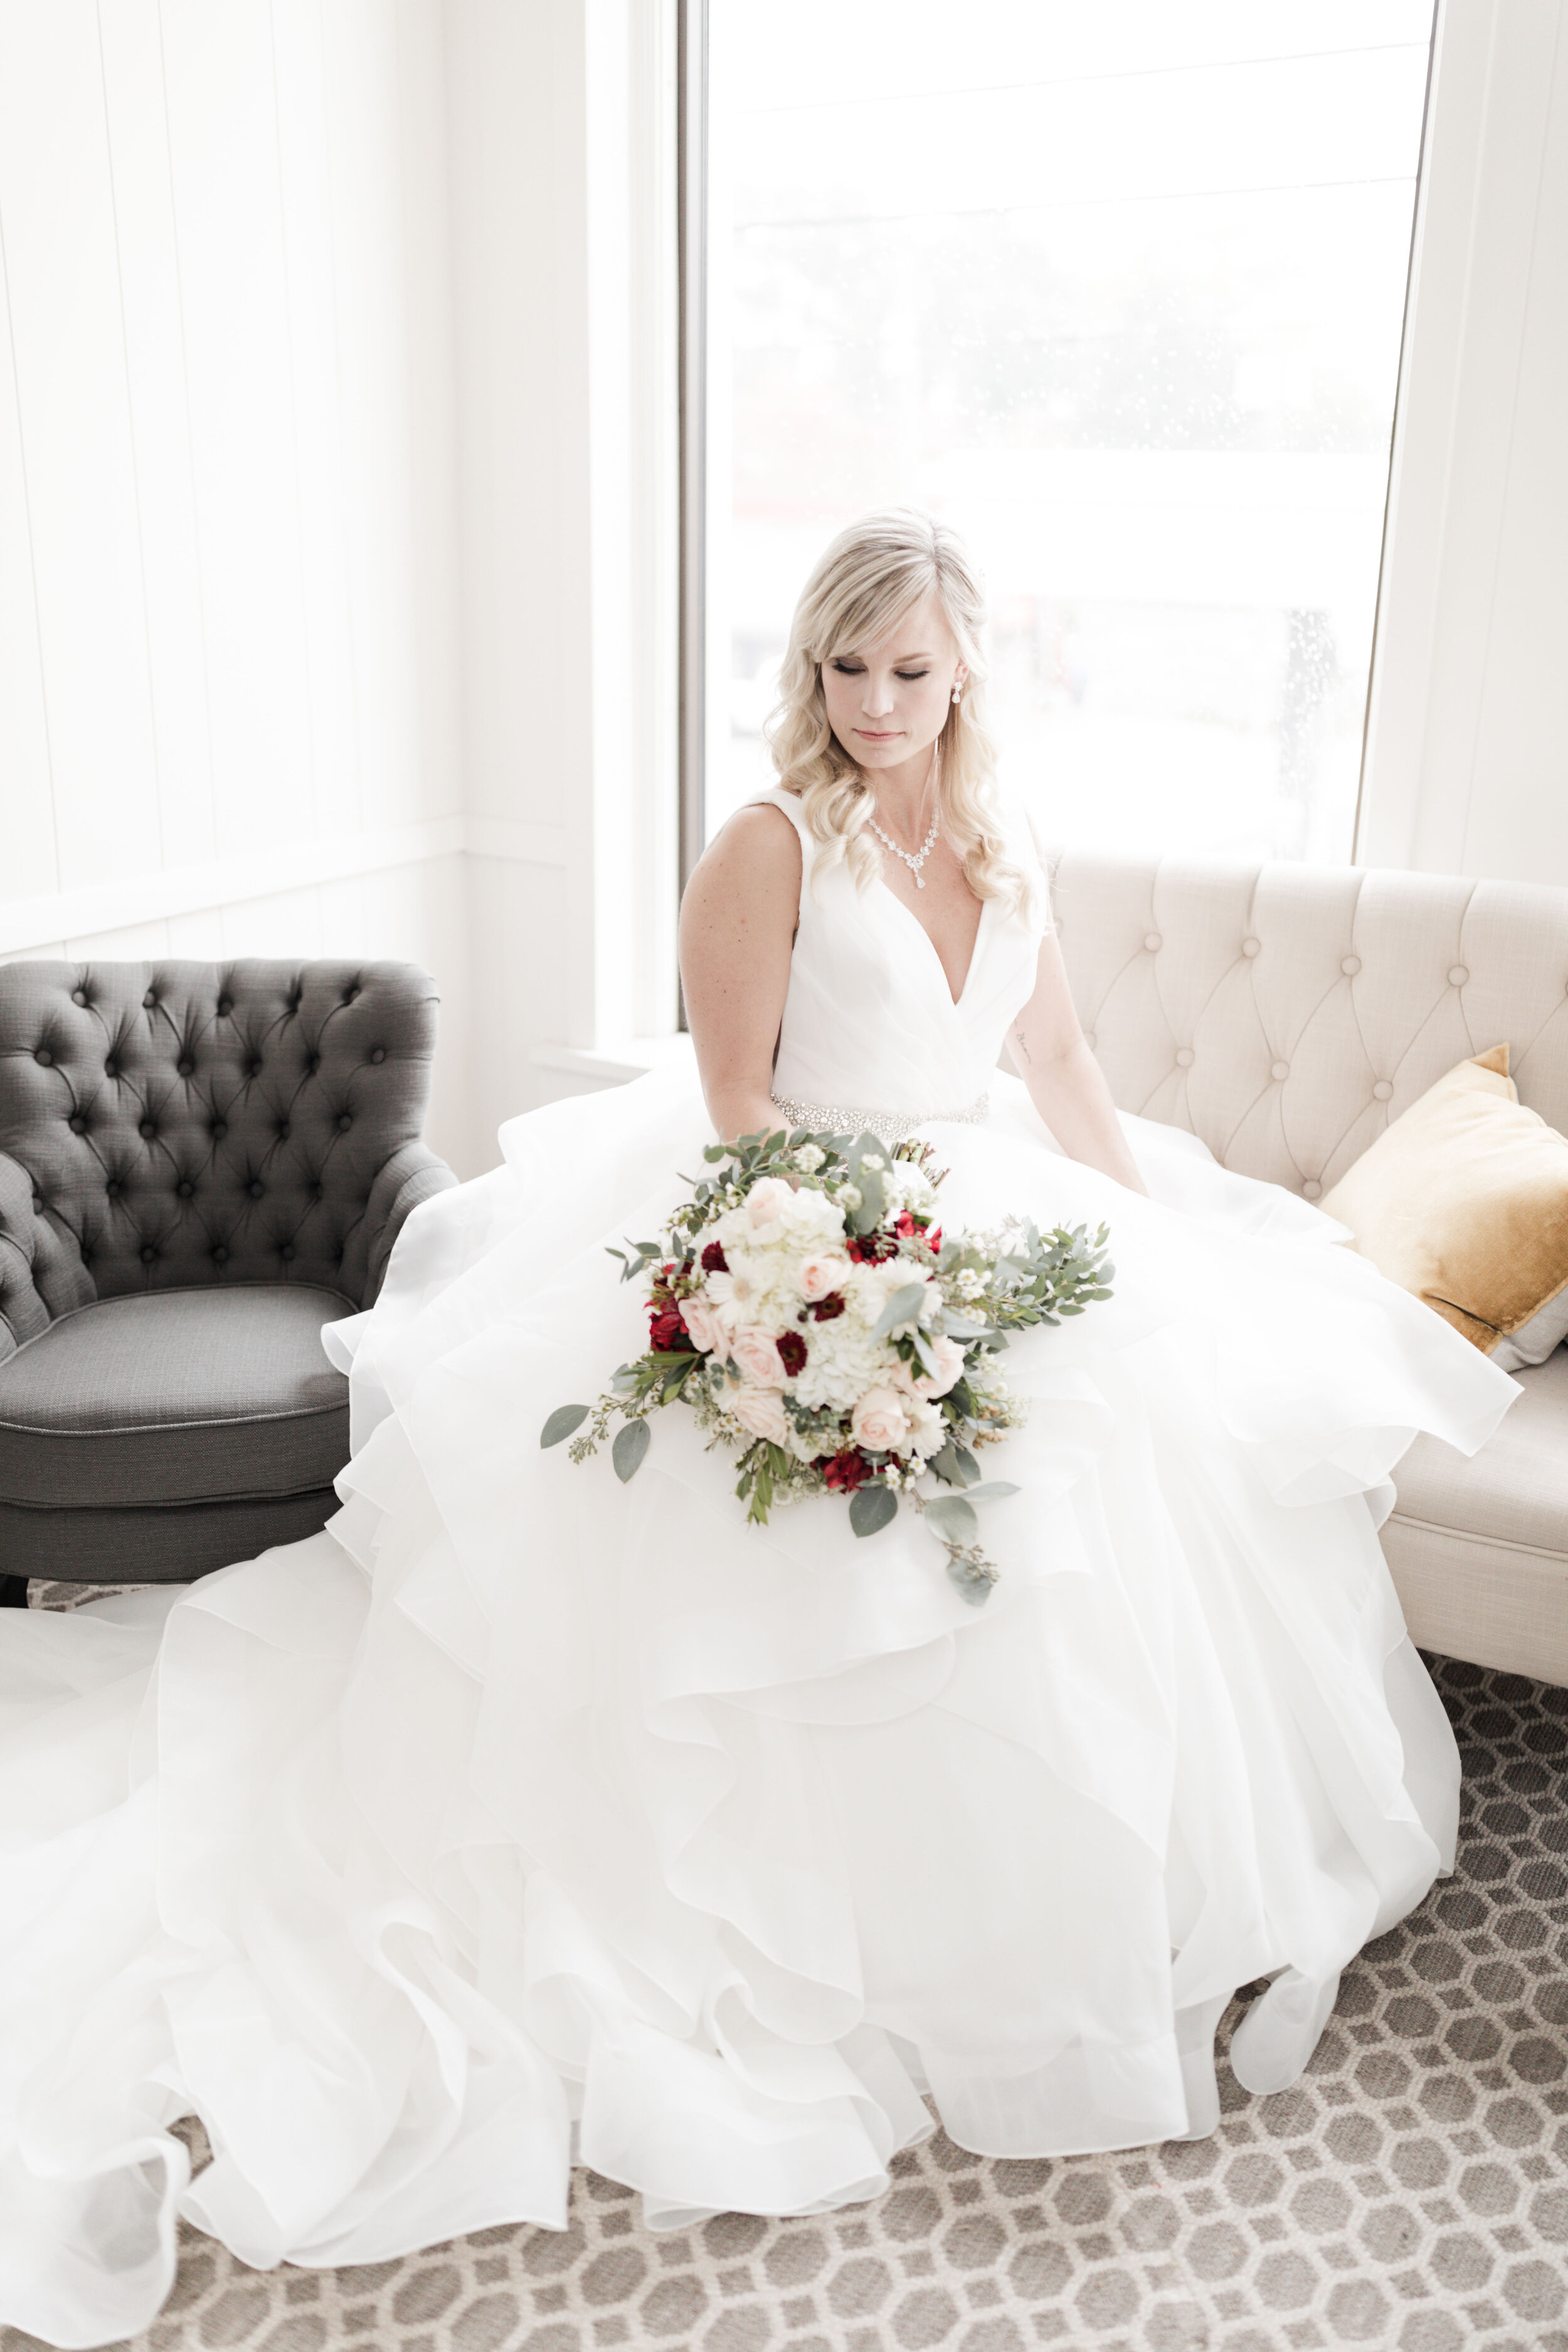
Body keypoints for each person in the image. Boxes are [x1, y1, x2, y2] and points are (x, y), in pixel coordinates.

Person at [0, 511, 1515, 2349]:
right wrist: (850, 1279)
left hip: (995, 1205)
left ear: (966, 672)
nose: (875, 702)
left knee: (1108, 1496)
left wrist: (1155, 1229)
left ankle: (1040, 1913)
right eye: (844, 667)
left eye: (910, 670)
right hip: (804, 1219)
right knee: (811, 1565)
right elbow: (734, 1100)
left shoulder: (1003, 847)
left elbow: (1057, 1070)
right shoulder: (768, 841)